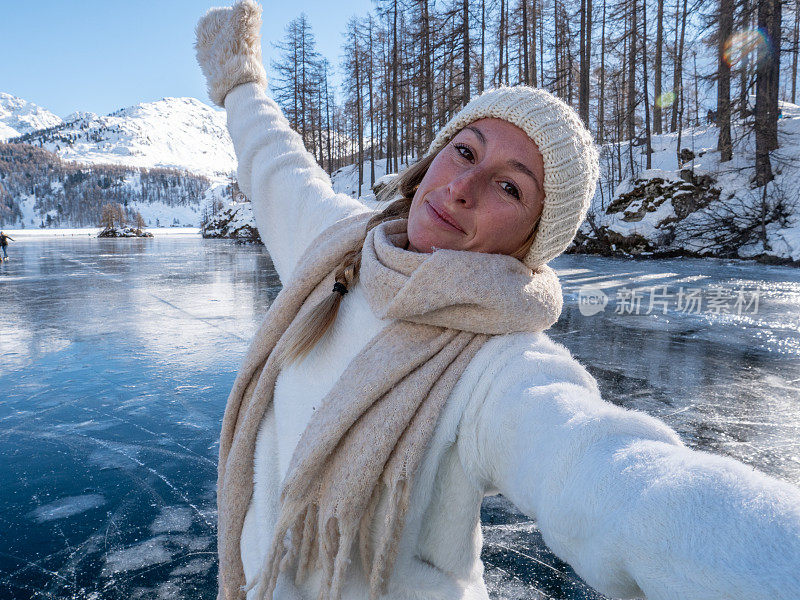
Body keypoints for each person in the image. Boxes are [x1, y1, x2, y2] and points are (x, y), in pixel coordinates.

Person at [195, 3, 800, 600]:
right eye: (464, 151)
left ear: (530, 243)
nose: (462, 188)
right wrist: (241, 81)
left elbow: (621, 481)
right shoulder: (339, 247)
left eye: (509, 186)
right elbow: (276, 164)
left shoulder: (500, 369)